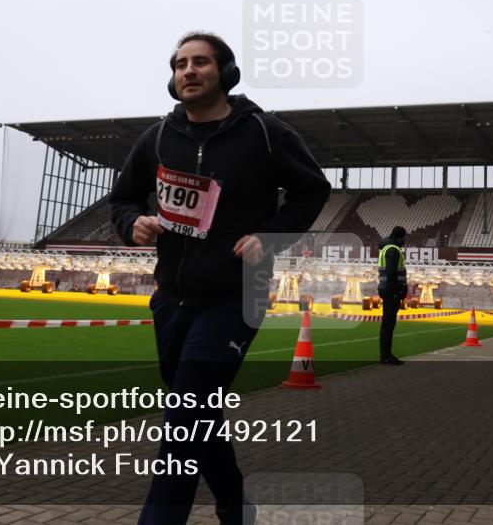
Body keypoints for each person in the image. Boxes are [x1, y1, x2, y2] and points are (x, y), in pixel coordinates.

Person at [109, 32, 331, 525]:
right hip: (171, 299)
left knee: (182, 422)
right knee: (198, 418)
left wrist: (270, 237)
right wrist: (133, 223)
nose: (188, 71)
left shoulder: (265, 131)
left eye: (200, 62)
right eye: (180, 64)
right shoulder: (159, 137)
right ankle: (234, 506)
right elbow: (122, 199)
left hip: (237, 297)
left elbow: (312, 189)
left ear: (226, 72)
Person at [377, 226, 409, 365]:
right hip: (391, 291)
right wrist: (397, 291)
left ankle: (386, 355)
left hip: (388, 289)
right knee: (388, 324)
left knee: (388, 324)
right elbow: (391, 273)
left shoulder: (387, 248)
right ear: (400, 237)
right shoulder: (393, 249)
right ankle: (386, 356)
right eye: (404, 238)